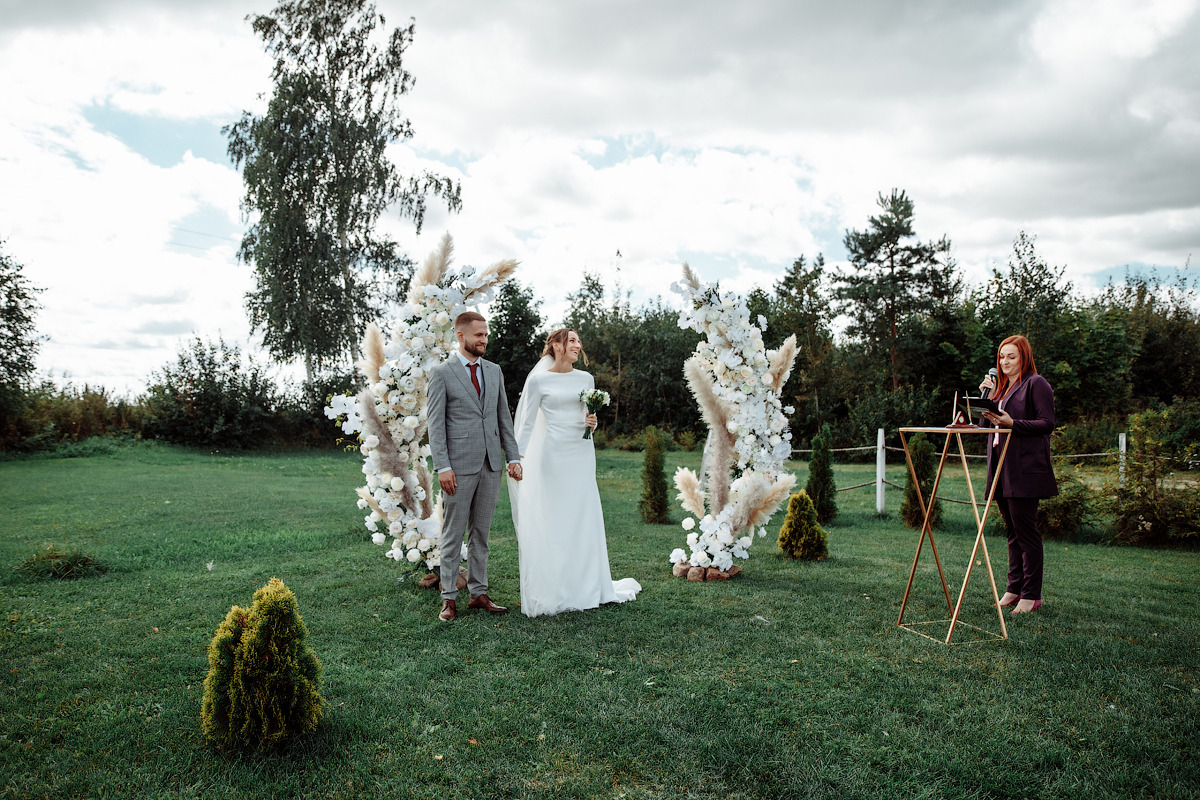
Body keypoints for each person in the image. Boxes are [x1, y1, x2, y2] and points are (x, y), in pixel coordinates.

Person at [508, 328, 641, 617]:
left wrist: (592, 421)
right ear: (555, 345)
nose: (577, 346)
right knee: (557, 518)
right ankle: (559, 586)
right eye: (572, 341)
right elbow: (528, 423)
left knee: (584, 515)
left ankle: (589, 586)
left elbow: (585, 418)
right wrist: (516, 457)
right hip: (553, 456)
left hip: (582, 454)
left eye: (579, 342)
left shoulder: (586, 379)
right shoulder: (539, 380)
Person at [426, 311, 523, 622]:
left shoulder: (494, 371)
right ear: (461, 336)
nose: (484, 339)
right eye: (478, 335)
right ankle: (449, 599)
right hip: (458, 467)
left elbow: (502, 417)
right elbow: (436, 425)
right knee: (452, 534)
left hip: (491, 465)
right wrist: (443, 466)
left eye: (485, 334)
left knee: (481, 533)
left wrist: (513, 456)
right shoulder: (442, 374)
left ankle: (478, 593)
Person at [979, 334, 1057, 615]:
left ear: (1023, 357)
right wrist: (986, 397)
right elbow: (985, 425)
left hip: (1024, 468)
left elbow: (1047, 424)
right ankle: (1014, 588)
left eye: (1011, 356)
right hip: (1001, 468)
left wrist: (1013, 423)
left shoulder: (1036, 384)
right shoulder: (1001, 389)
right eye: (1001, 357)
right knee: (1012, 532)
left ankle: (1031, 595)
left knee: (1026, 532)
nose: (1005, 362)